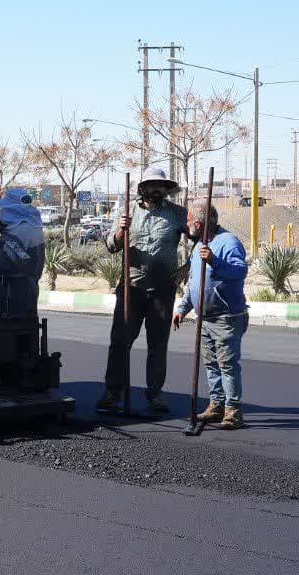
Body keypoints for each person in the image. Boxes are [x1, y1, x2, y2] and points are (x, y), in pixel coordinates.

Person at [96, 167, 188, 414]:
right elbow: (110, 246)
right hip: (131, 287)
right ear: (142, 188)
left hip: (162, 289)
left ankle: (155, 393)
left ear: (166, 189)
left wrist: (187, 268)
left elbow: (201, 238)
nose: (156, 189)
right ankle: (113, 391)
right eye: (151, 185)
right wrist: (120, 231)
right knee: (120, 341)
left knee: (157, 344)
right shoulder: (126, 212)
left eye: (161, 186)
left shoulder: (178, 214)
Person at [174, 202, 250, 429]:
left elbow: (240, 271)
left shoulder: (229, 242)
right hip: (205, 318)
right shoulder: (200, 246)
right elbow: (194, 284)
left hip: (226, 317)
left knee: (227, 364)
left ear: (198, 223)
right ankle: (216, 404)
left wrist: (215, 261)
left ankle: (233, 410)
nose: (187, 226)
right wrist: (182, 308)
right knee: (211, 364)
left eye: (189, 222)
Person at [0, 188, 45, 318]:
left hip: (14, 291)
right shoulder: (33, 226)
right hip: (29, 288)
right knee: (27, 330)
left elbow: (8, 261)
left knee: (11, 331)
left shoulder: (20, 230)